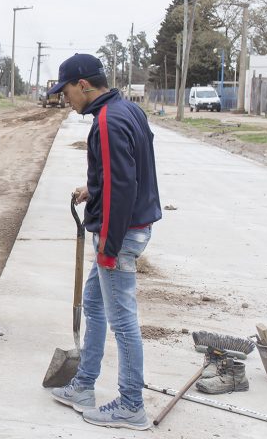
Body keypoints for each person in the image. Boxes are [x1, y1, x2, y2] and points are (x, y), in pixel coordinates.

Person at [46, 53, 162, 431]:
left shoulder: (108, 122)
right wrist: (92, 189)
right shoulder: (127, 111)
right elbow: (123, 173)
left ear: (83, 85)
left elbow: (121, 189)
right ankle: (83, 385)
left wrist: (108, 249)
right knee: (94, 306)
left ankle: (131, 404)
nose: (65, 99)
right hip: (130, 227)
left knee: (122, 321)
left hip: (121, 235)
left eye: (65, 91)